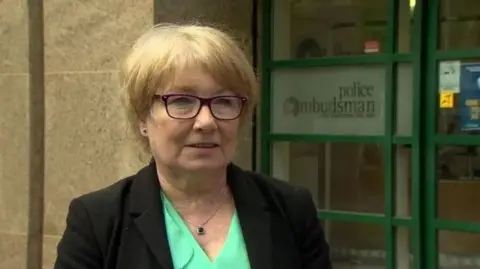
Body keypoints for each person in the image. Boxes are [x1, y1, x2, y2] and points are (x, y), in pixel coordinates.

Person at [53, 23, 332, 269]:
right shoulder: (98, 221)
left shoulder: (291, 209)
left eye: (224, 102)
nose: (206, 122)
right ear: (143, 118)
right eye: (182, 101)